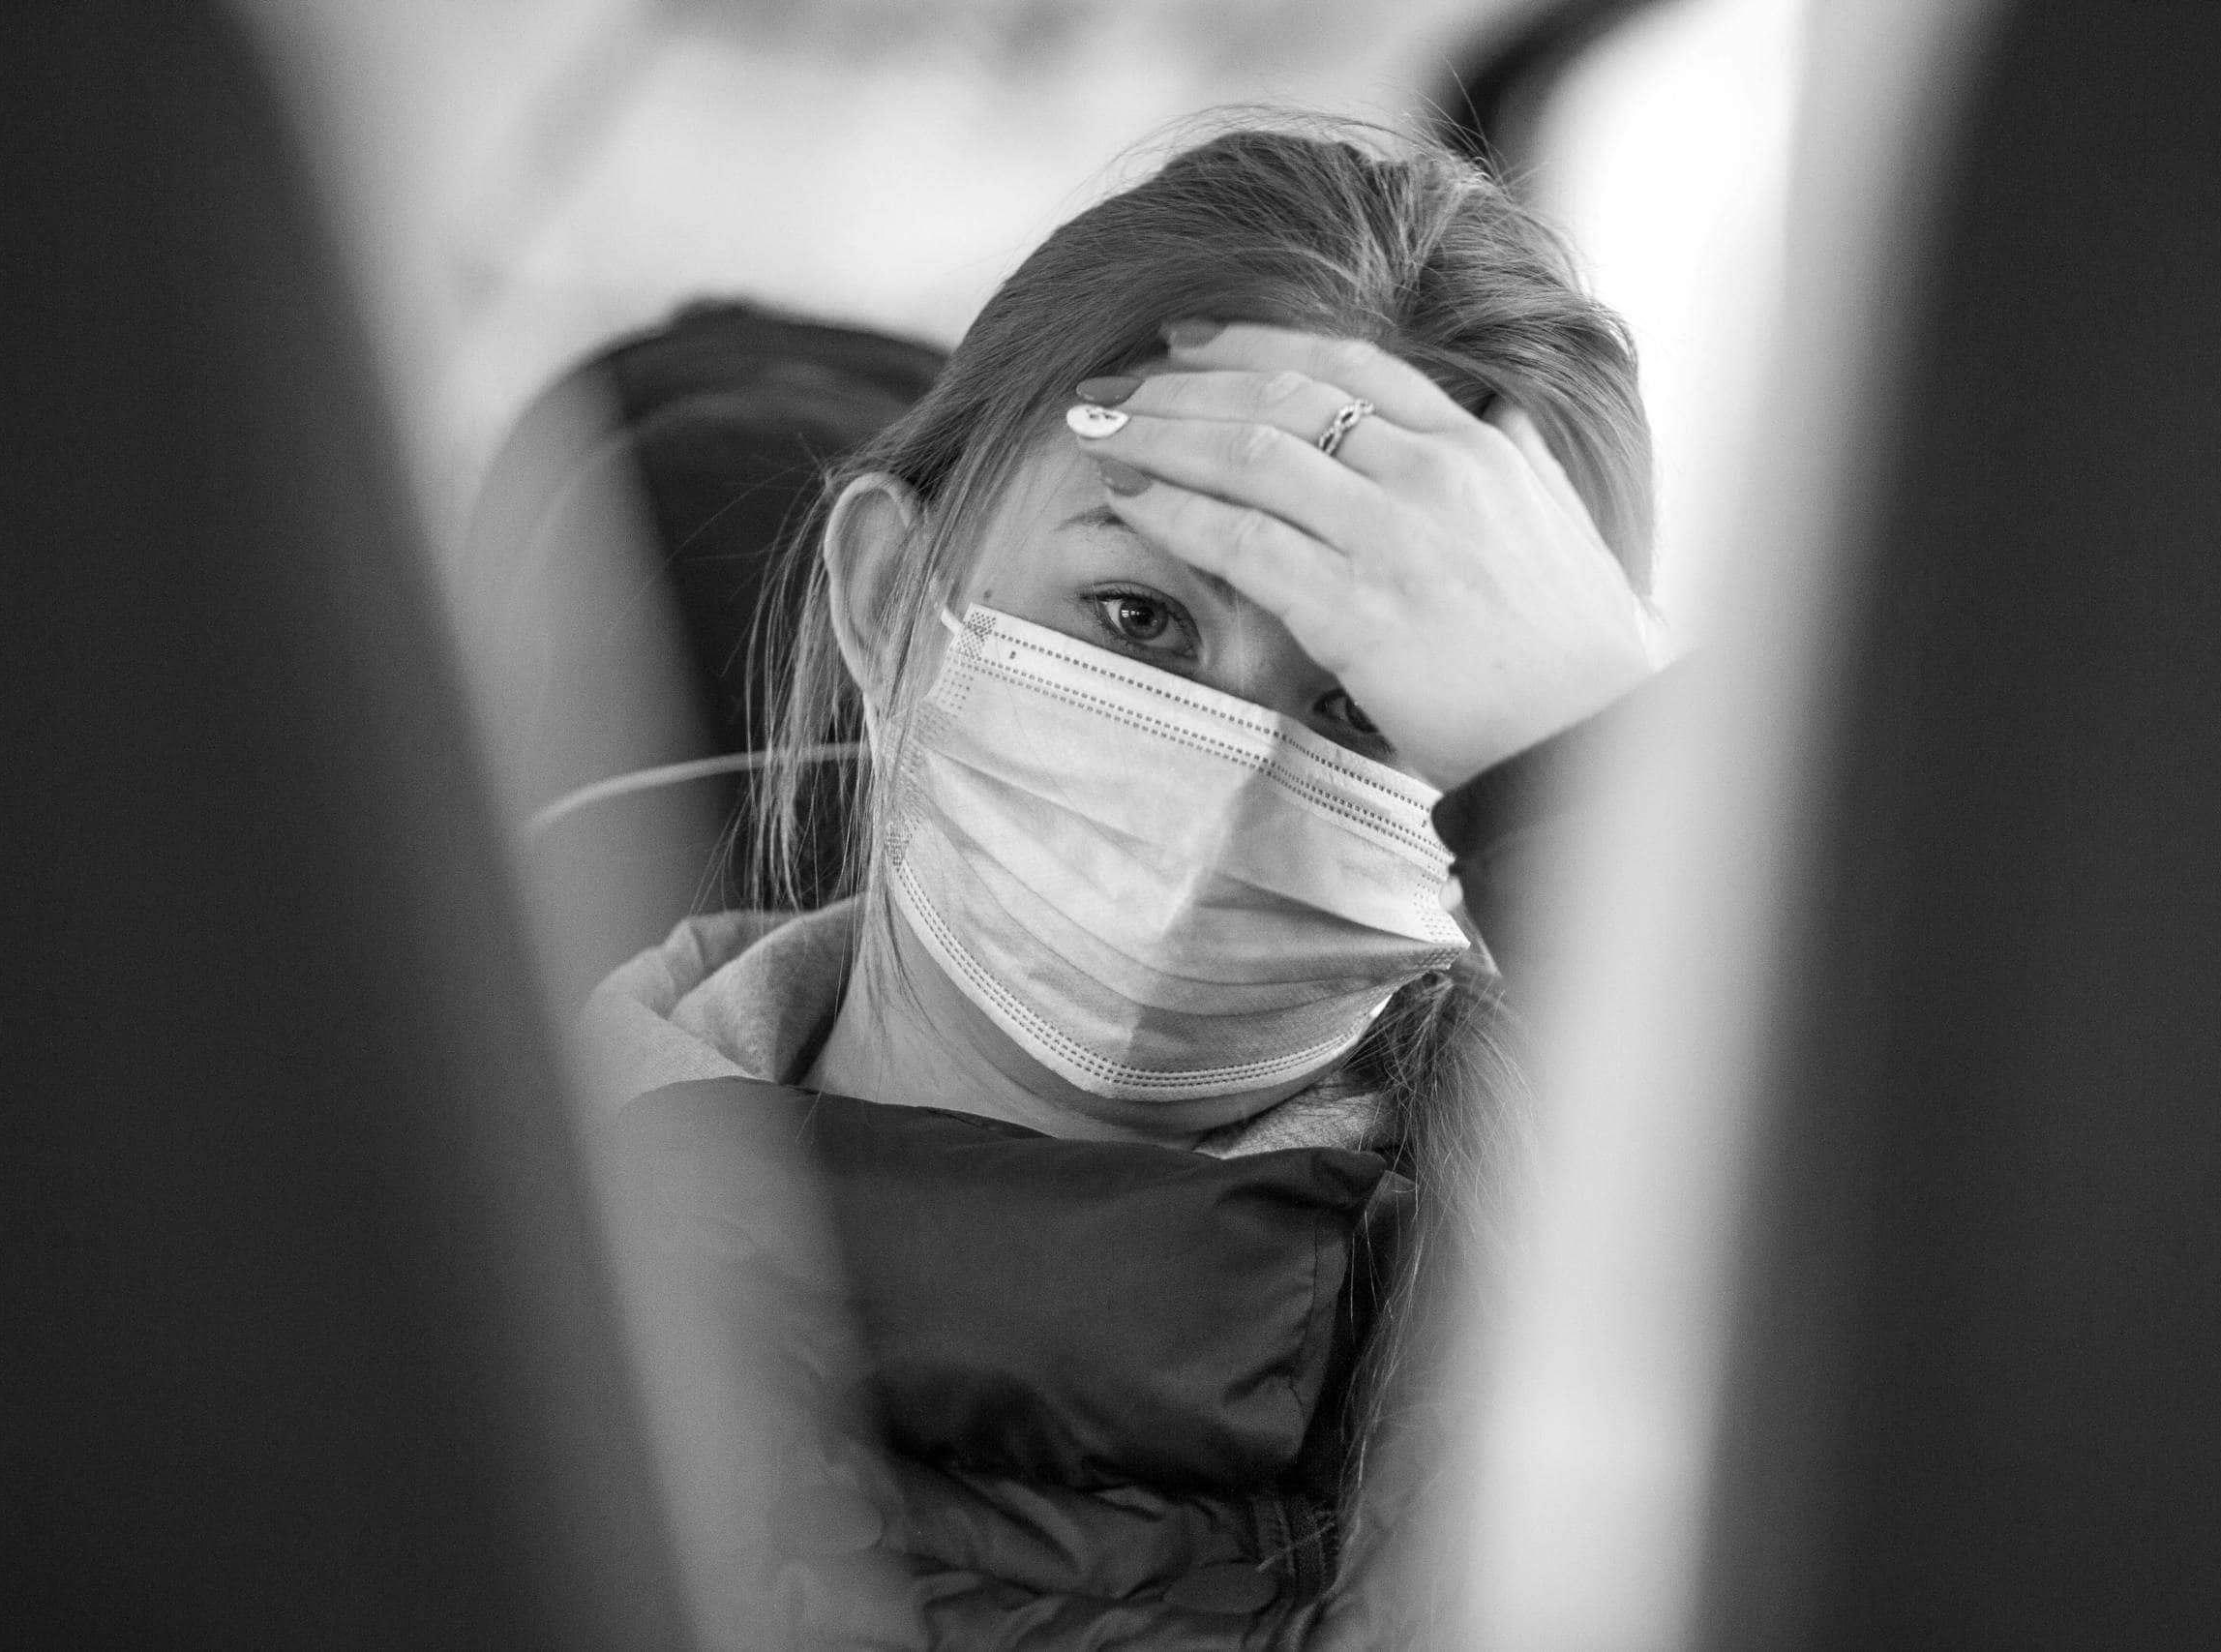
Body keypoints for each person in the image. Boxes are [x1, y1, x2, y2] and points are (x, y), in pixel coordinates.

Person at [586, 116, 1654, 1647]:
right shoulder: (449, 1265)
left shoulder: (1601, 1401)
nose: (1224, 777)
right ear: (892, 601)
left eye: (1368, 702)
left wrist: (1594, 778)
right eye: (1141, 618)